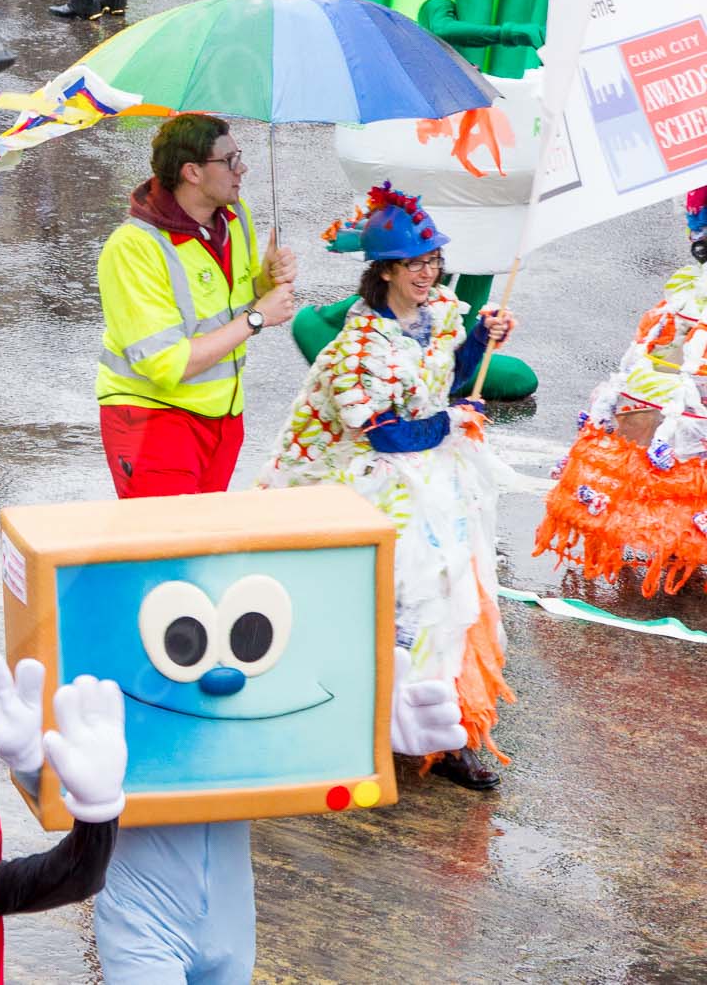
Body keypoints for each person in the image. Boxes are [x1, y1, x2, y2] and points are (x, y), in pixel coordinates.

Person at [263, 184, 517, 789]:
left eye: (433, 262)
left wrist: (485, 338)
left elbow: (450, 375)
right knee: (390, 607)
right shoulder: (355, 351)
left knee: (455, 601)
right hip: (361, 489)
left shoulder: (440, 314)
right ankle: (357, 727)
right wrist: (451, 421)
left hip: (431, 478)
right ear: (384, 270)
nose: (427, 274)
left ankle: (444, 738)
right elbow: (383, 435)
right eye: (414, 264)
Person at [95, 113, 296, 499]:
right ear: (192, 172)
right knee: (167, 548)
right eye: (230, 160)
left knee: (201, 545)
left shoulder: (235, 217)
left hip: (223, 419)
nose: (243, 169)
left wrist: (265, 283)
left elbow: (227, 302)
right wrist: (258, 318)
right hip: (152, 420)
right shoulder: (133, 248)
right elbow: (169, 364)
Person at [536, 189, 707, 593]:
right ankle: (675, 535)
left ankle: (679, 534)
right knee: (676, 440)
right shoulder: (689, 289)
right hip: (680, 373)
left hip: (677, 370)